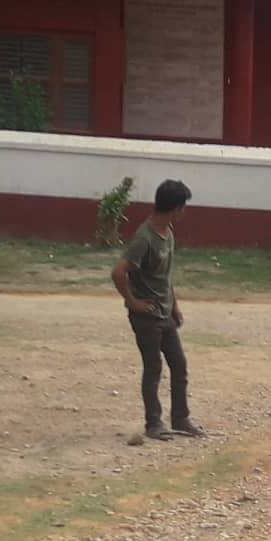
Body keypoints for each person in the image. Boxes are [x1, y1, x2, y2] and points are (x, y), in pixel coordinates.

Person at [110, 179, 207, 444]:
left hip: (164, 312)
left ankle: (180, 419)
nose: (184, 211)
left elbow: (165, 275)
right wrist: (133, 302)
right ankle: (154, 423)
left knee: (179, 365)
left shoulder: (168, 231)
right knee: (153, 368)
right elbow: (118, 272)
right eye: (183, 206)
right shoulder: (145, 238)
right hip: (147, 316)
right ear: (175, 208)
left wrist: (174, 305)